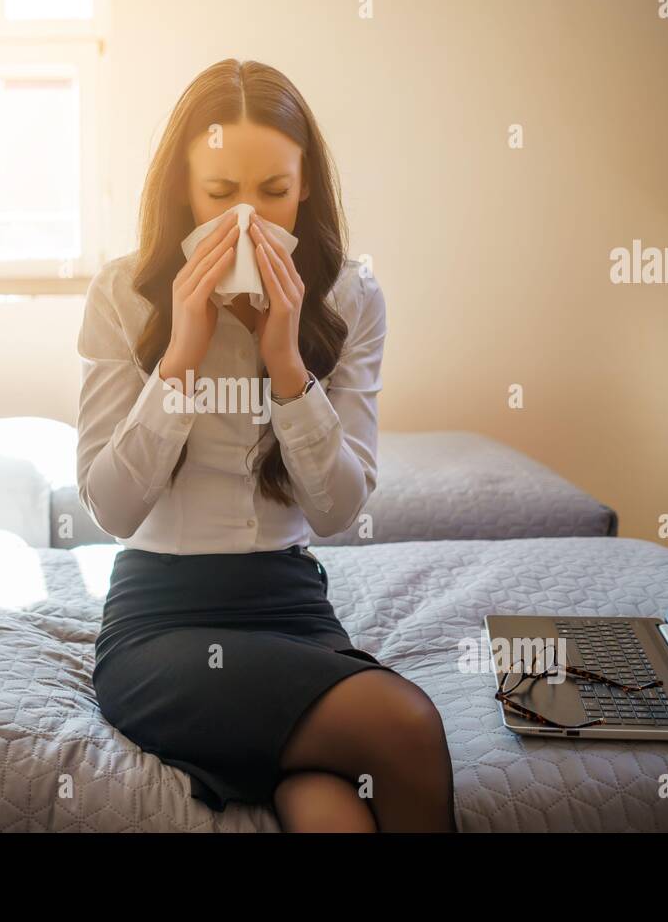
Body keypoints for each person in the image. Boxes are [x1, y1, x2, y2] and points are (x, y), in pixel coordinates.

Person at [77, 58, 456, 832]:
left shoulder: (350, 296)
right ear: (182, 188)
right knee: (403, 726)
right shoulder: (123, 296)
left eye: (273, 193)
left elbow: (337, 514)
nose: (246, 220)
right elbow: (111, 508)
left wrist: (288, 366)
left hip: (288, 605)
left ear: (306, 184)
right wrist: (180, 357)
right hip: (161, 618)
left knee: (331, 801)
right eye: (220, 194)